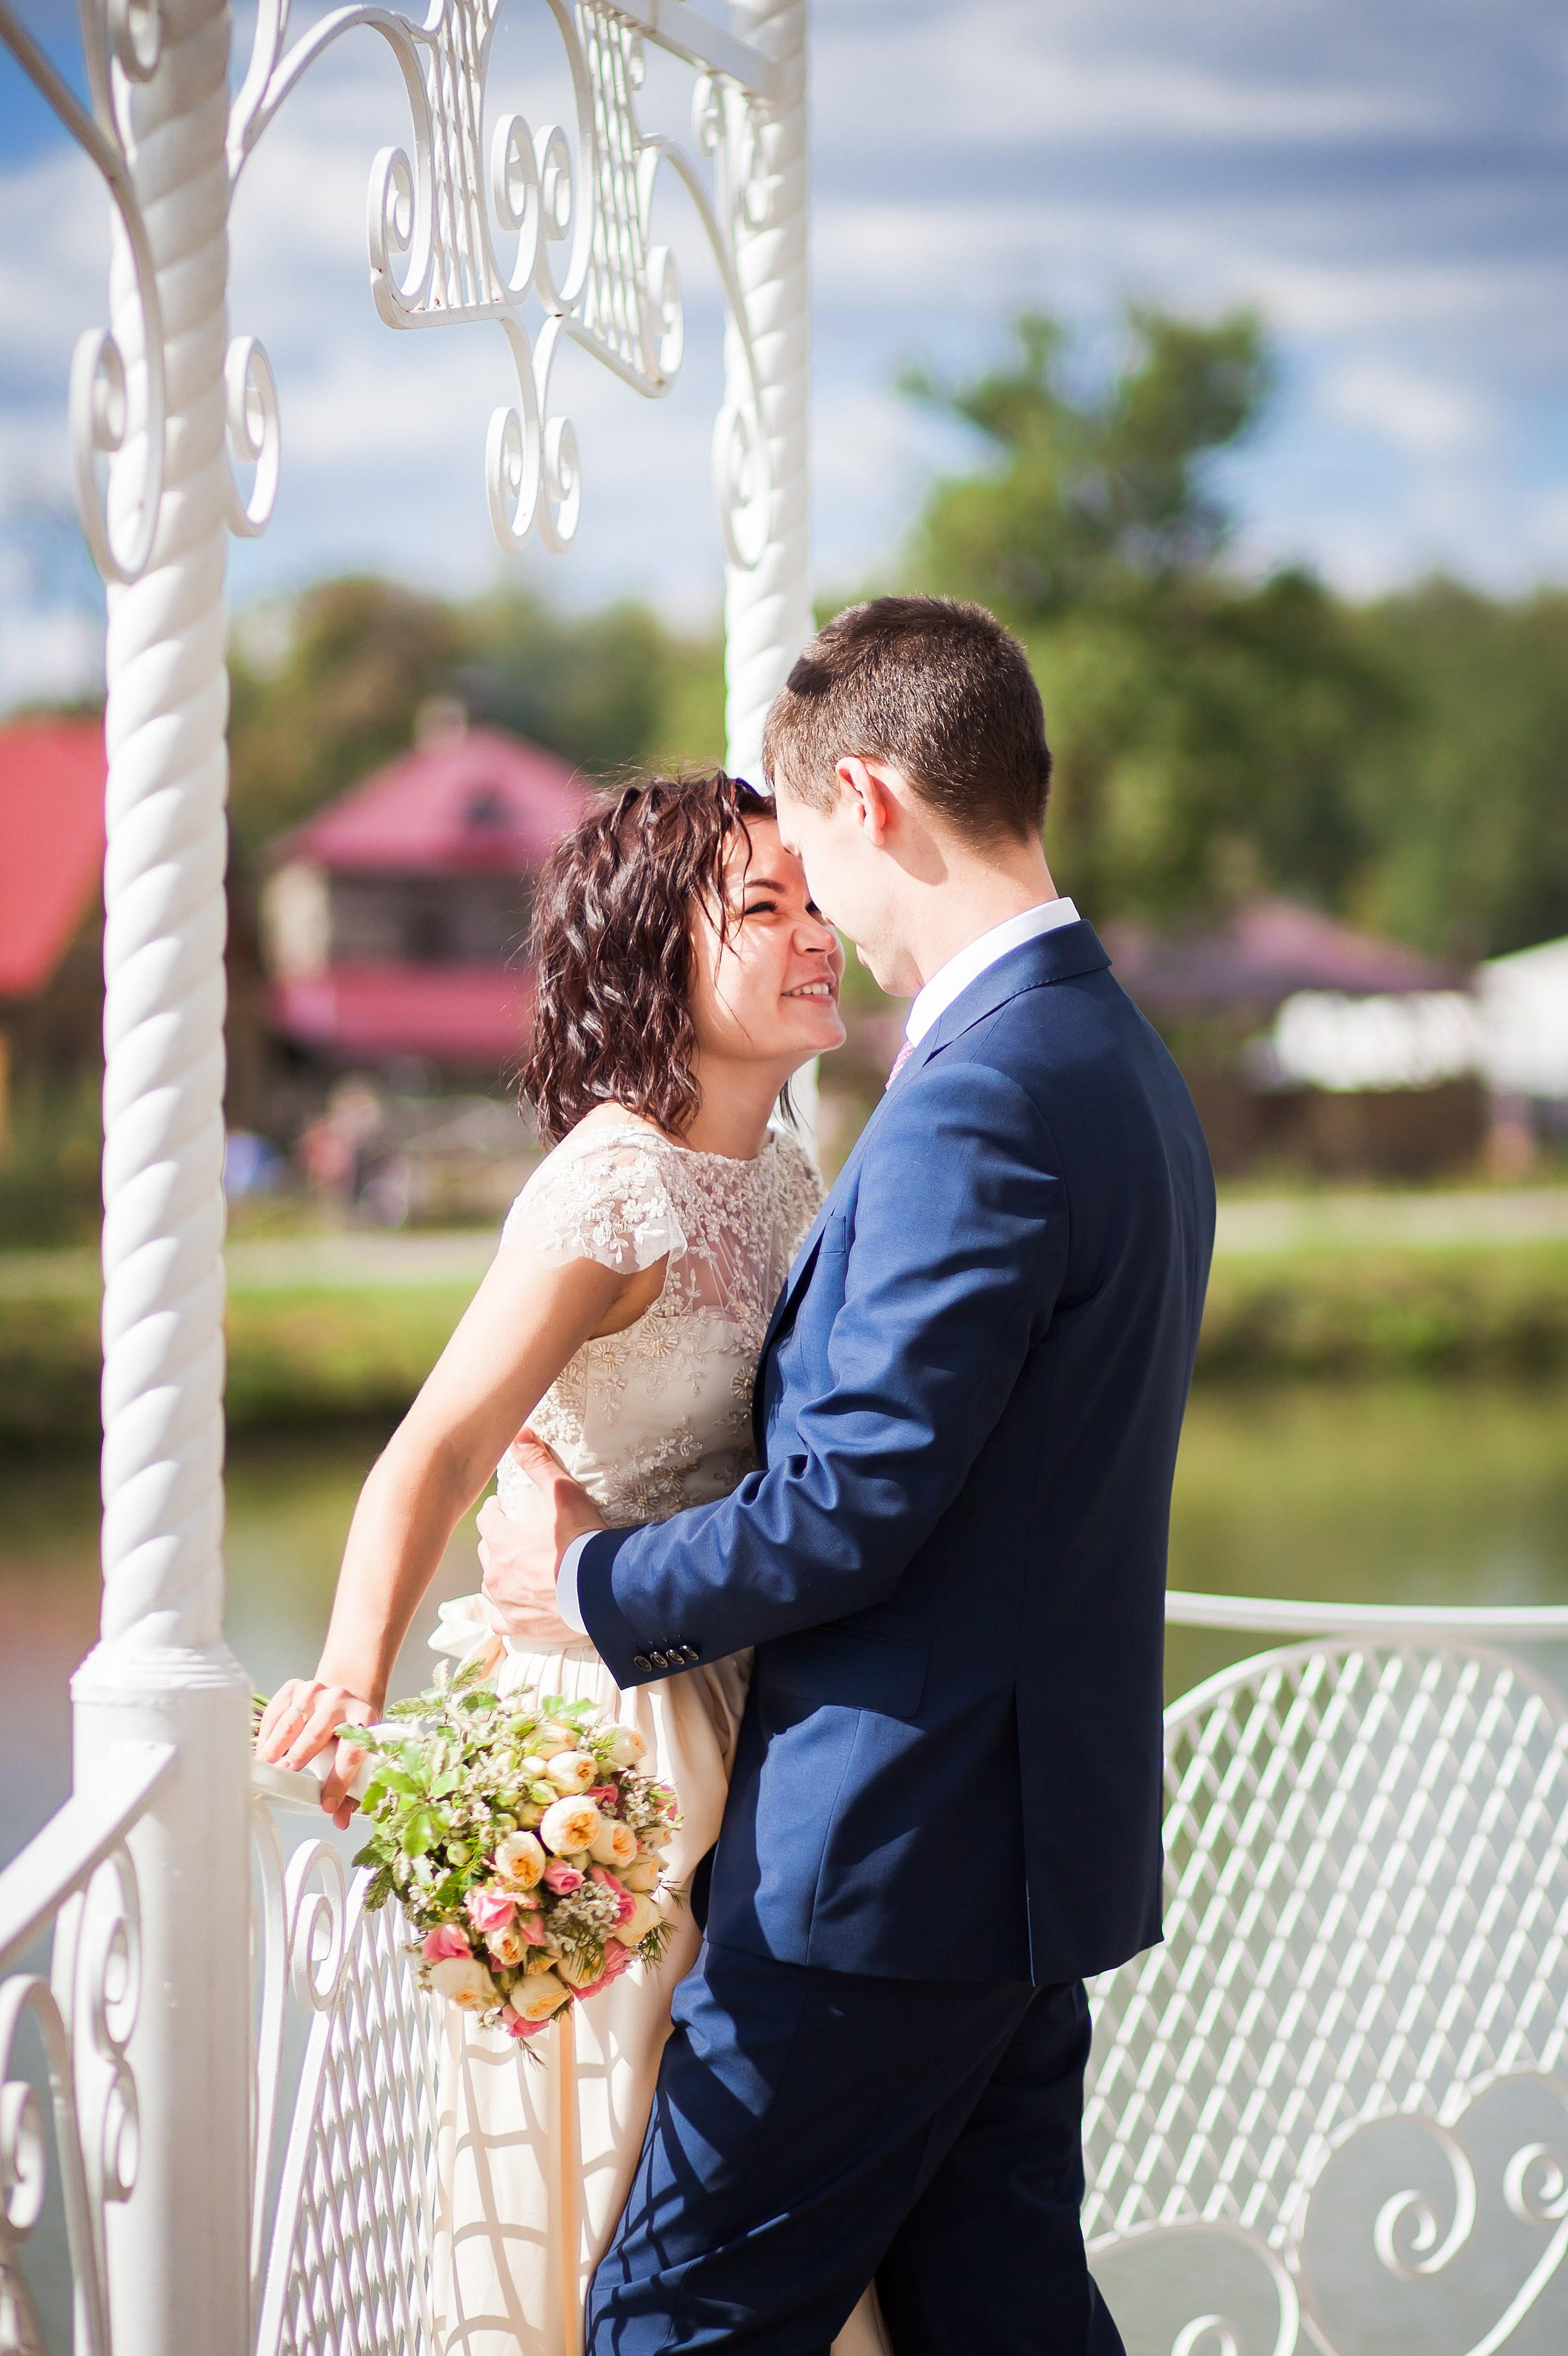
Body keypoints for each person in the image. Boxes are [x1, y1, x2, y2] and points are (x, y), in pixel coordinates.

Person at [479, 595, 1217, 2356]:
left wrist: (579, 1586)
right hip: (1017, 1858)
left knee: (672, 2321)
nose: (822, 910)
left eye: (811, 853)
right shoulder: (1115, 1063)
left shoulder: (982, 1098)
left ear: (868, 798)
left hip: (886, 1872)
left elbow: (854, 1500)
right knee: (999, 2311)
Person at [254, 773, 890, 2355]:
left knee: (755, 2173)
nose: (819, 936)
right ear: (650, 953)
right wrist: (351, 1684)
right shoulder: (608, 1184)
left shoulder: (785, 1164)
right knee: (612, 2164)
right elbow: (432, 1457)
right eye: (765, 908)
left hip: (745, 1696)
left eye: (814, 899)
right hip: (597, 1739)